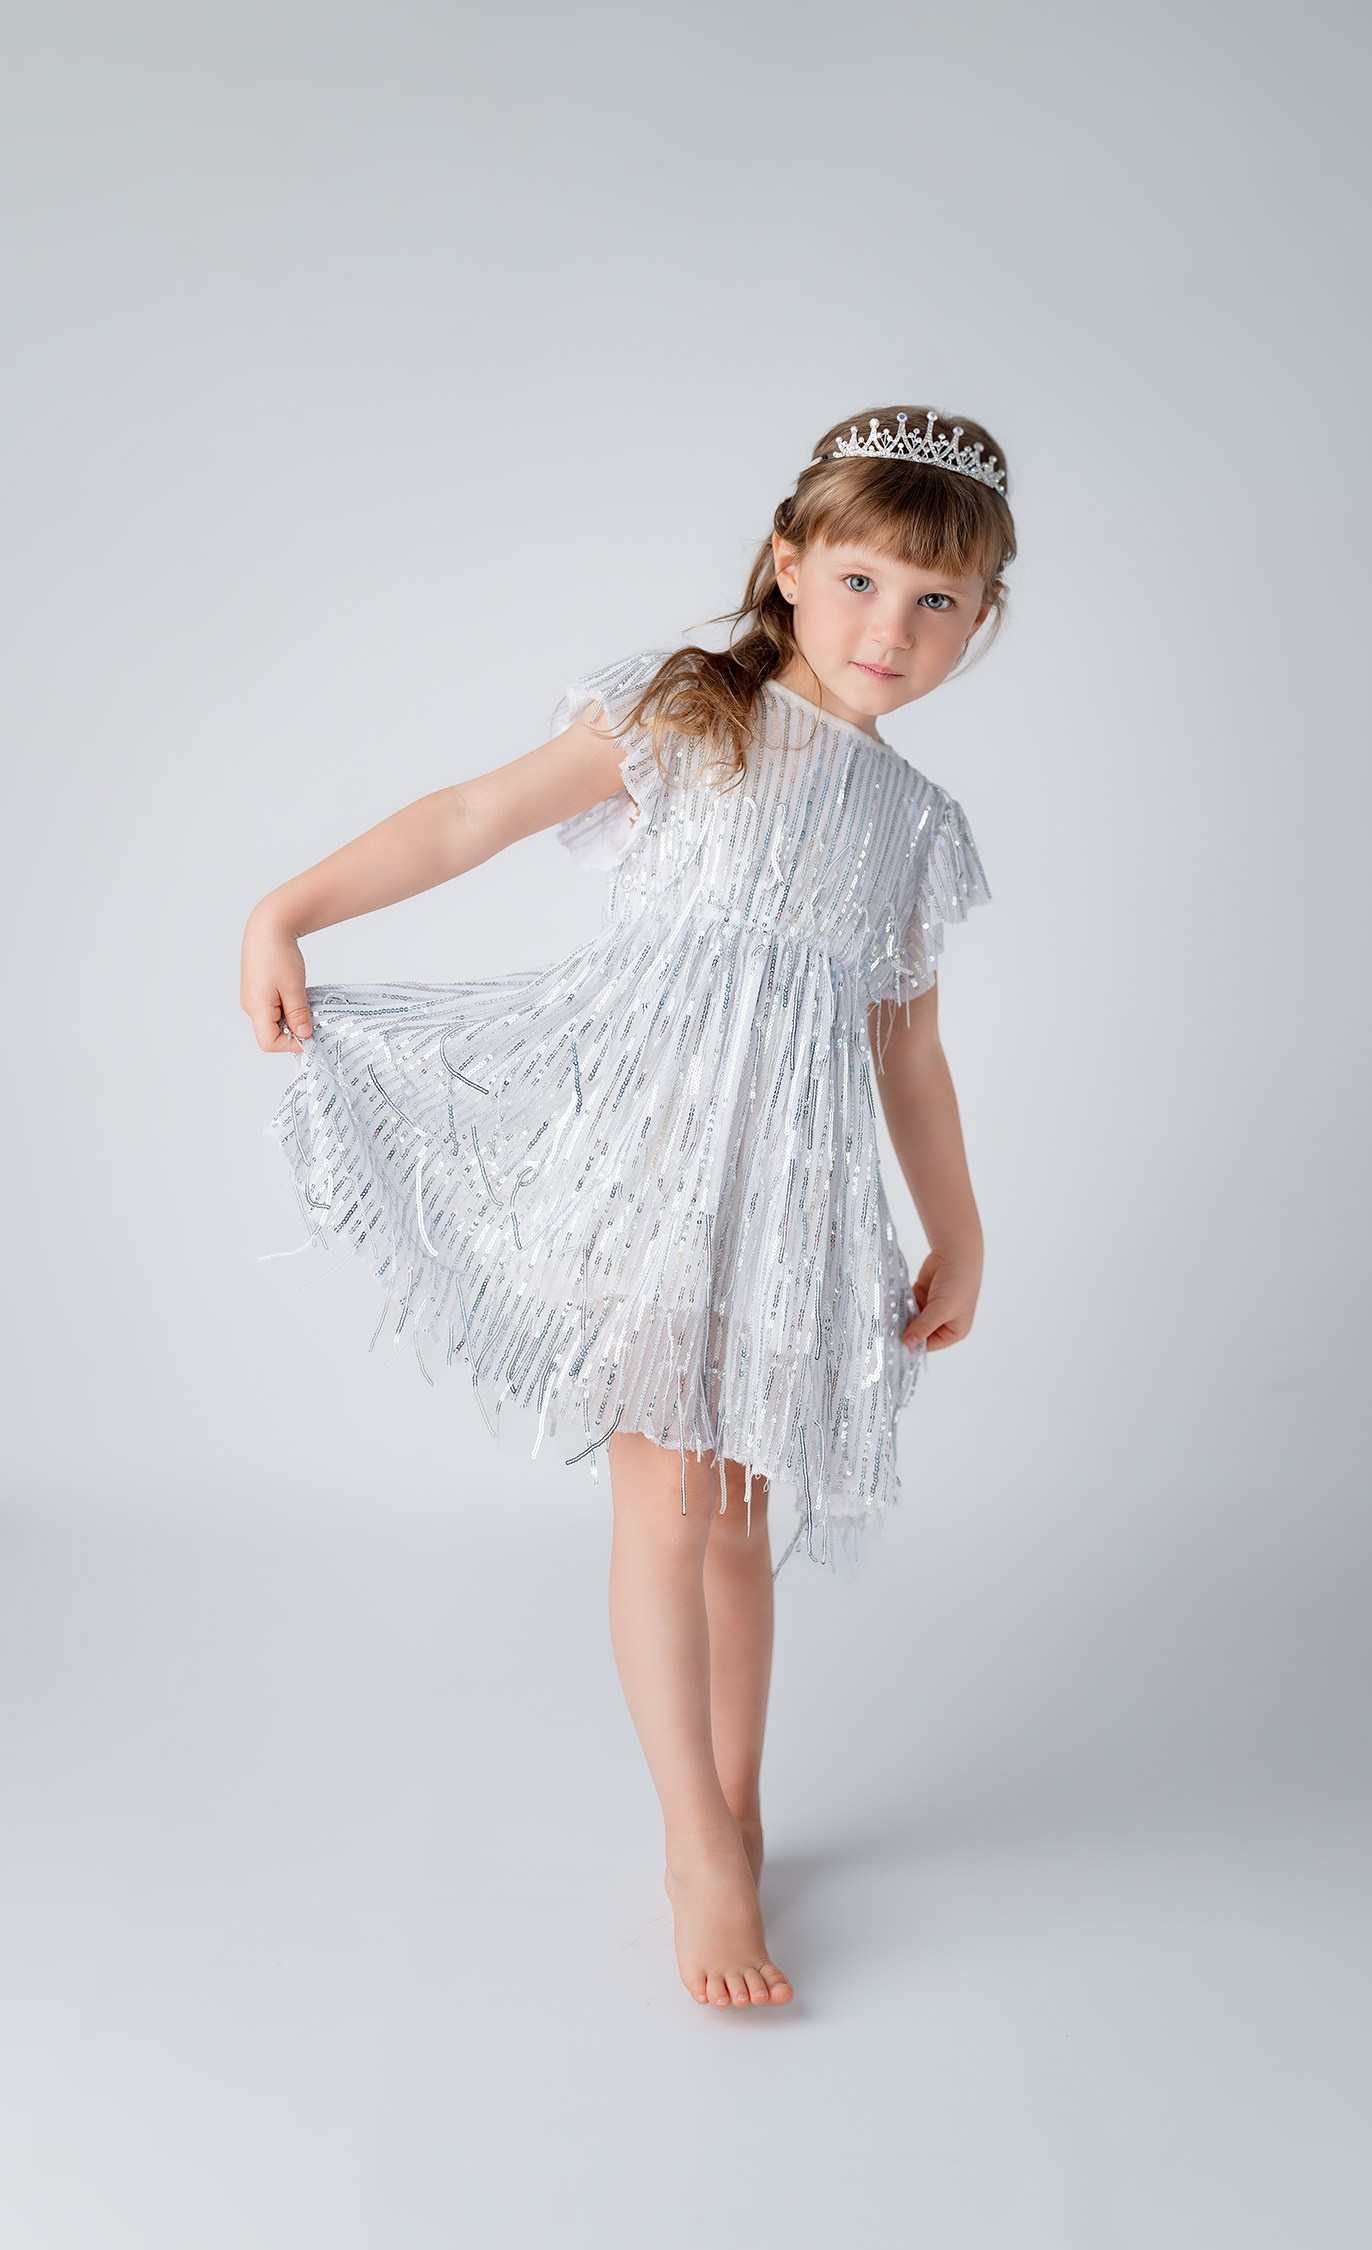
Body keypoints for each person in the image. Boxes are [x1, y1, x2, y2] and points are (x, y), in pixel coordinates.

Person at [241, 404, 1017, 2011]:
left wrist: (959, 1227)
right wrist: (288, 906)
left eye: (937, 600)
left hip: (782, 1202)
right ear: (788, 565)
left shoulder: (914, 827)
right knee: (667, 1506)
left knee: (737, 1517)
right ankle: (697, 1845)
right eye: (863, 580)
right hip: (648, 1172)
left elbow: (910, 1050)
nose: (892, 627)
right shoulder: (691, 713)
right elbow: (473, 815)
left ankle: (736, 1799)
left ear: (981, 619)